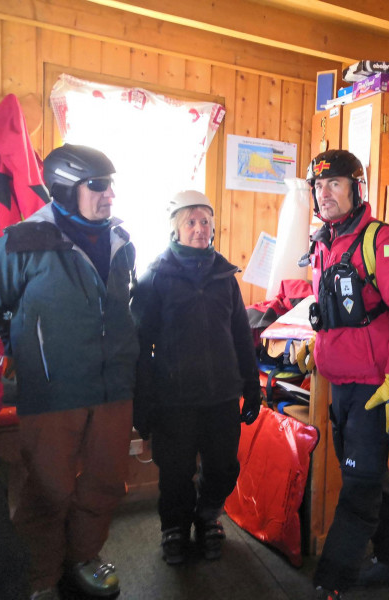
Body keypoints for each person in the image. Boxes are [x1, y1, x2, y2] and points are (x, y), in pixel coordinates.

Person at [0, 143, 138, 599]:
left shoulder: (121, 241)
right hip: (53, 390)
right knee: (48, 491)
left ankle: (82, 559)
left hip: (113, 387)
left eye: (111, 185)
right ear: (63, 188)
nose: (109, 195)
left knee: (104, 484)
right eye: (97, 186)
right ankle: (39, 578)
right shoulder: (22, 240)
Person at [306, 149, 389, 600]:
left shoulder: (383, 240)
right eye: (318, 186)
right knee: (369, 476)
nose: (324, 193)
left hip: (376, 387)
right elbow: (324, 304)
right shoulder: (322, 242)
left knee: (358, 484)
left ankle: (332, 580)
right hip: (339, 382)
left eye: (334, 183)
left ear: (357, 189)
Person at [131, 190, 261, 566]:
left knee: (223, 467)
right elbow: (140, 345)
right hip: (175, 399)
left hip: (221, 395)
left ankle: (207, 517)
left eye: (205, 221)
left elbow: (241, 336)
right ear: (175, 229)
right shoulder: (155, 277)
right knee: (175, 472)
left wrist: (251, 387)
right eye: (191, 221)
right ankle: (174, 527)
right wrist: (143, 402)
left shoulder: (224, 276)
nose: (200, 229)